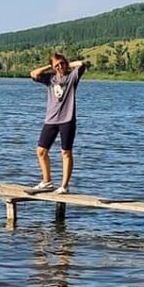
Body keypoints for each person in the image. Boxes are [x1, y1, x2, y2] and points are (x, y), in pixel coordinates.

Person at [26, 52, 88, 194]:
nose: (60, 67)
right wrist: (50, 66)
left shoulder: (72, 77)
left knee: (65, 152)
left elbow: (82, 64)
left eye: (62, 63)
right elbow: (33, 74)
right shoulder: (50, 79)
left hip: (67, 120)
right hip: (51, 120)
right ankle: (47, 181)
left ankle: (64, 186)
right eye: (57, 65)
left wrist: (66, 65)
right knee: (41, 151)